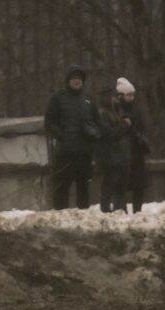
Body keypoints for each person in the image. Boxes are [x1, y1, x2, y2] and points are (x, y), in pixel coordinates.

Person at [44, 64, 99, 210]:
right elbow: (49, 121)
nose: (77, 81)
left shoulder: (89, 100)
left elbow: (98, 123)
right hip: (64, 152)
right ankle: (60, 218)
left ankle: (83, 217)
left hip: (85, 152)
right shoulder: (58, 97)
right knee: (61, 187)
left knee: (84, 188)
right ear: (68, 80)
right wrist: (61, 135)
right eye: (74, 78)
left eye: (80, 78)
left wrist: (93, 135)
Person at [95, 83, 132, 213]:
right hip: (110, 157)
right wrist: (125, 125)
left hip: (119, 156)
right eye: (113, 96)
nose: (116, 99)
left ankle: (120, 211)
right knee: (109, 189)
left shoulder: (115, 111)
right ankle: (108, 213)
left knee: (120, 189)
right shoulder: (103, 113)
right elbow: (109, 133)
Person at [115, 78, 150, 212]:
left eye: (132, 95)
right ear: (121, 96)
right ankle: (122, 210)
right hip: (124, 152)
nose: (131, 97)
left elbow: (142, 127)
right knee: (122, 186)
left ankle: (137, 211)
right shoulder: (117, 110)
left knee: (139, 186)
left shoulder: (137, 110)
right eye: (128, 95)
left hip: (136, 151)